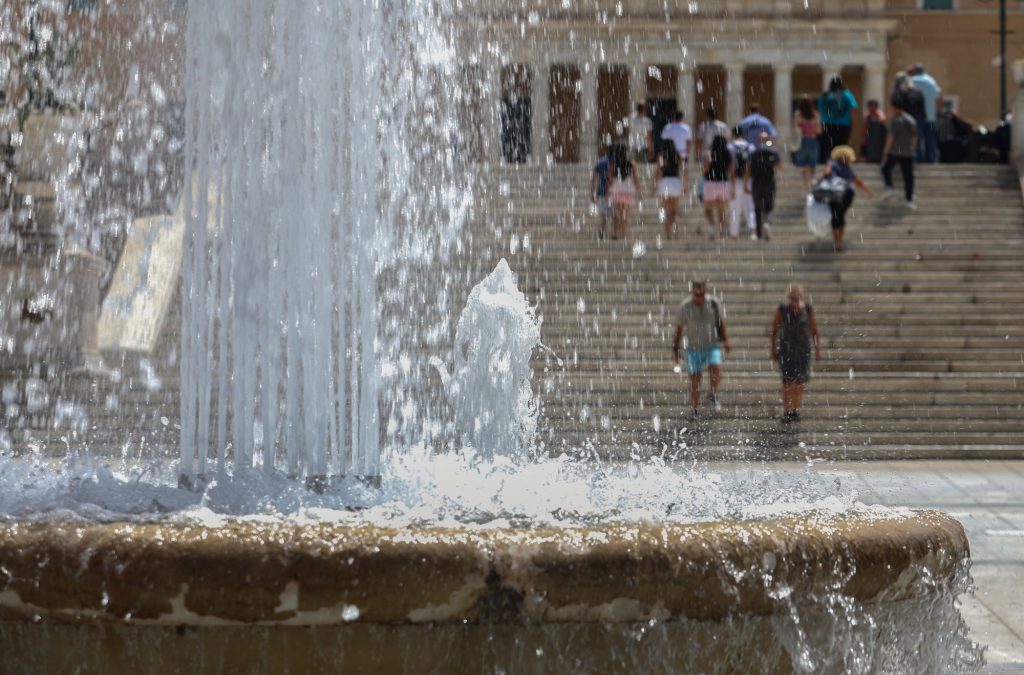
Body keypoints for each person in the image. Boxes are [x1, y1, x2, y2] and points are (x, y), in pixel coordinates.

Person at [672, 280, 732, 420]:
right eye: (696, 295)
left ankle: (713, 393)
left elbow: (721, 323)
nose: (699, 298)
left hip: (712, 345)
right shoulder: (685, 307)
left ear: (705, 292)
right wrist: (675, 349)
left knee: (716, 368)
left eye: (701, 294)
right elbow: (679, 330)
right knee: (695, 378)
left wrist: (726, 340)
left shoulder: (713, 303)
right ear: (692, 292)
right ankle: (694, 408)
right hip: (693, 348)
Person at [770, 283, 821, 423]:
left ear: (801, 297)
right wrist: (773, 350)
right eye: (792, 298)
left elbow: (814, 331)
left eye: (796, 298)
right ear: (788, 297)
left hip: (803, 351)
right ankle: (787, 410)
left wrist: (817, 350)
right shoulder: (782, 309)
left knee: (799, 382)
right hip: (786, 351)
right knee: (787, 382)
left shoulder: (808, 310)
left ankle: (795, 410)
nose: (794, 301)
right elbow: (774, 331)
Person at [822, 145, 873, 252]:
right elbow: (856, 181)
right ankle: (839, 239)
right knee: (840, 216)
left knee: (835, 216)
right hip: (847, 194)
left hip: (834, 193)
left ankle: (836, 240)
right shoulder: (848, 168)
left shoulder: (832, 164)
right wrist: (867, 191)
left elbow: (826, 174)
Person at [880, 99, 917, 209]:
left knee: (885, 168)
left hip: (896, 151)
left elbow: (890, 136)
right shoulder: (911, 119)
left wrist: (885, 151)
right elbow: (915, 136)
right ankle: (909, 199)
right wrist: (912, 148)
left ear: (895, 108)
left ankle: (890, 188)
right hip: (908, 152)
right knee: (908, 176)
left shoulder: (895, 120)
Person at [746, 132, 782, 241]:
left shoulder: (753, 152)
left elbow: (748, 167)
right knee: (769, 205)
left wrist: (746, 182)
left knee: (757, 207)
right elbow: (779, 167)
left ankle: (758, 233)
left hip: (757, 181)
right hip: (769, 181)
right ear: (768, 140)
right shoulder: (773, 151)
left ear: (758, 140)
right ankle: (767, 223)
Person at [817, 77, 858, 163]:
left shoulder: (825, 95)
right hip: (843, 125)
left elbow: (820, 110)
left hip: (827, 124)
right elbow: (853, 109)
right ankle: (841, 165)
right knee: (841, 147)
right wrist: (852, 123)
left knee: (826, 148)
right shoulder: (847, 94)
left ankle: (825, 166)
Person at [702, 135, 734, 240]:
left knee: (708, 210)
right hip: (724, 183)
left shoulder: (708, 153)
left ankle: (711, 225)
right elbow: (731, 170)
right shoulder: (727, 154)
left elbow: (705, 168)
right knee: (722, 211)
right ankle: (721, 232)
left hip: (711, 183)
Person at [909, 63, 942, 163]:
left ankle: (919, 158)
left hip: (918, 116)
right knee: (930, 138)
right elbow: (939, 96)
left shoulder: (913, 81)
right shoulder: (931, 81)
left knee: (918, 138)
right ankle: (931, 159)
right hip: (931, 117)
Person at [607, 141, 641, 240]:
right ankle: (624, 234)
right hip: (628, 190)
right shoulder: (632, 163)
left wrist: (608, 191)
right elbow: (635, 178)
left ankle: (615, 233)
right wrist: (638, 191)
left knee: (616, 214)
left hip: (617, 190)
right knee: (625, 214)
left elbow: (610, 180)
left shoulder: (612, 164)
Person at [727, 126, 756, 238]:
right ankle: (753, 231)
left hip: (735, 180)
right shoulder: (751, 147)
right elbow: (750, 165)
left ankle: (734, 234)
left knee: (734, 208)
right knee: (750, 207)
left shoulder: (729, 147)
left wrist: (732, 185)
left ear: (733, 134)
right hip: (749, 180)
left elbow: (731, 167)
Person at [792, 95, 822, 191]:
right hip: (812, 140)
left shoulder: (798, 114)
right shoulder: (815, 114)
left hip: (802, 141)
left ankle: (805, 188)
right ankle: (812, 186)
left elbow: (795, 127)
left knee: (802, 166)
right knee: (812, 165)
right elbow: (819, 131)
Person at [654, 141, 683, 239]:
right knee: (674, 211)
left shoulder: (662, 156)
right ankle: (673, 230)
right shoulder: (678, 156)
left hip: (665, 182)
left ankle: (668, 233)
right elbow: (682, 169)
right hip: (675, 181)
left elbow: (658, 170)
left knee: (666, 210)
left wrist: (654, 184)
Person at [660, 110, 692, 189]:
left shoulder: (667, 127)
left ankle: (664, 184)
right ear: (681, 118)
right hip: (682, 152)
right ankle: (686, 184)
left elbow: (663, 140)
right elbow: (688, 142)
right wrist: (687, 151)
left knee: (667, 168)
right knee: (683, 167)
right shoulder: (686, 128)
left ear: (673, 117)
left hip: (669, 152)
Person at [590, 143, 612, 238]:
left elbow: (593, 179)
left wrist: (591, 192)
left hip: (601, 191)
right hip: (614, 192)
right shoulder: (617, 161)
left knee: (603, 215)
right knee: (614, 214)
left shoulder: (600, 162)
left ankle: (602, 231)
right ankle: (615, 233)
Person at [862, 100, 887, 164]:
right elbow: (865, 128)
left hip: (878, 139)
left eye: (873, 106)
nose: (872, 108)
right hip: (869, 138)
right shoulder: (867, 115)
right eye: (870, 107)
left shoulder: (880, 114)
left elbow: (883, 120)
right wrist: (864, 138)